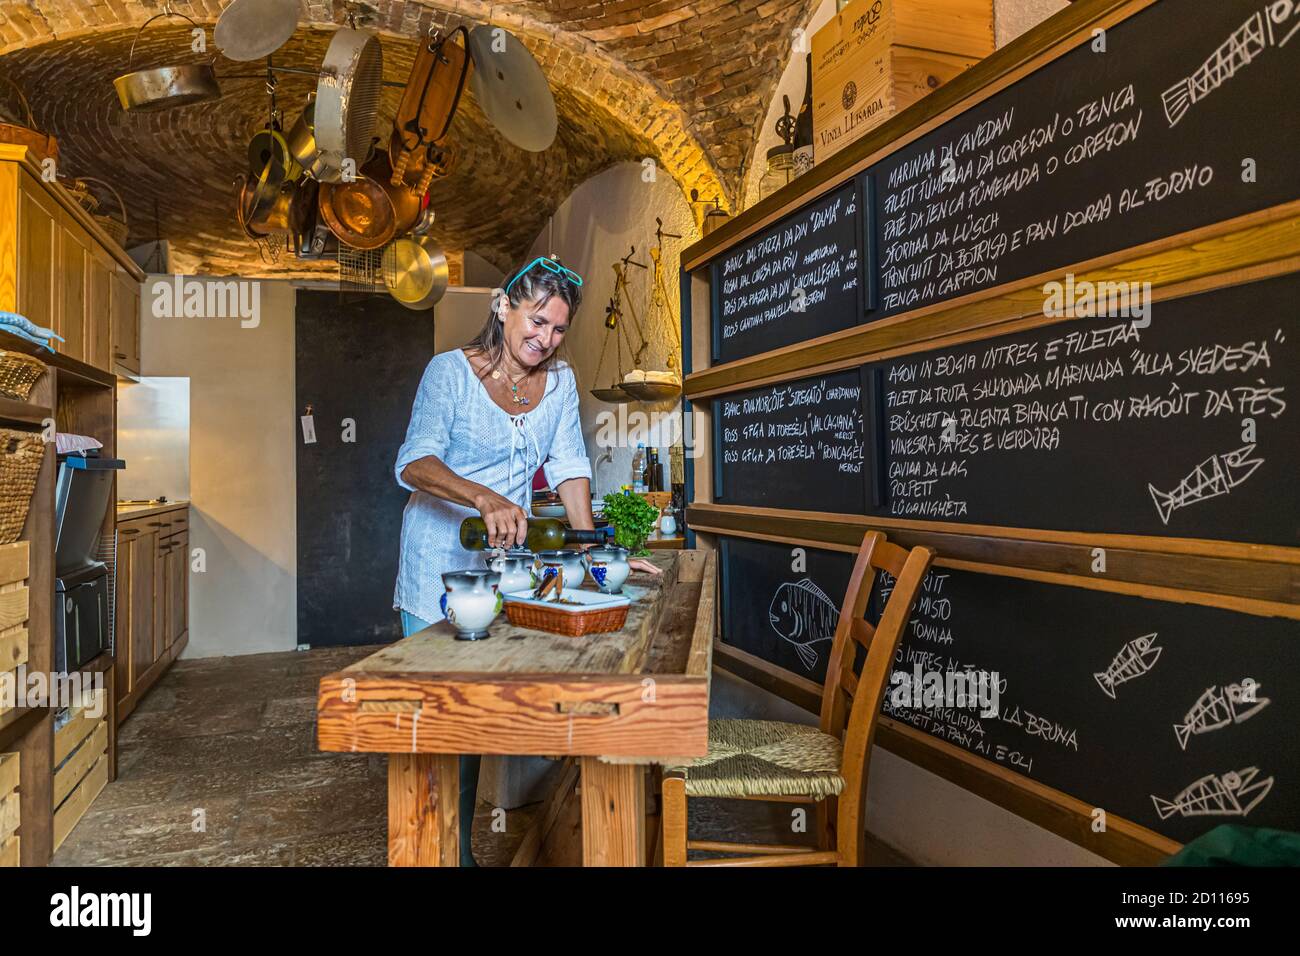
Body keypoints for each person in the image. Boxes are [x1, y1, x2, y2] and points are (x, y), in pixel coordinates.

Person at [392, 255, 661, 865]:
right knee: (438, 732)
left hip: (503, 572)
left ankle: (458, 852)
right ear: (502, 307)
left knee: (478, 720)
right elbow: (413, 462)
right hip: (437, 566)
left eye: (559, 329)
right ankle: (441, 855)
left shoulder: (560, 383)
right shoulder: (449, 375)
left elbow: (569, 466)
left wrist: (597, 552)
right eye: (536, 321)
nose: (545, 339)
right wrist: (482, 495)